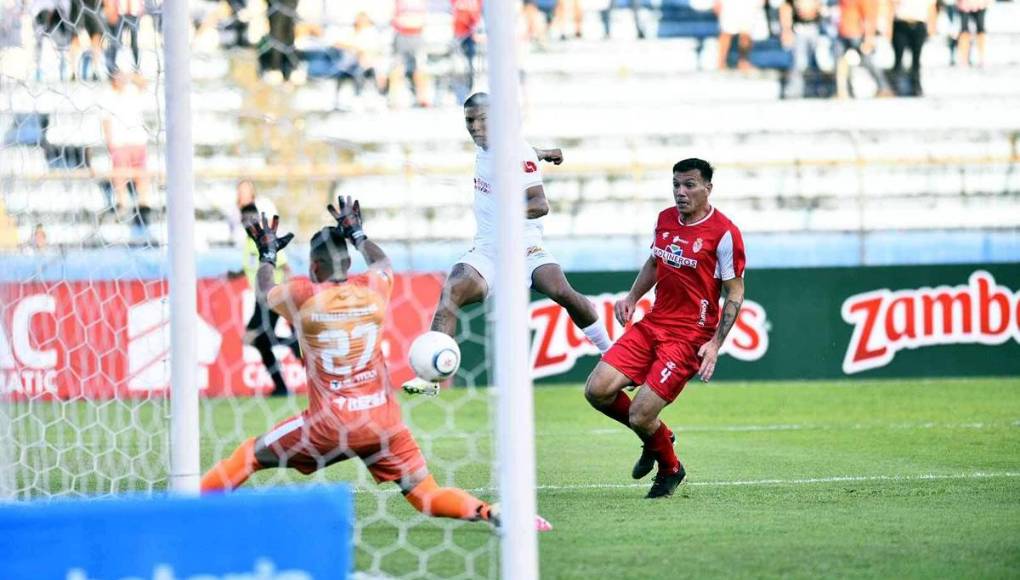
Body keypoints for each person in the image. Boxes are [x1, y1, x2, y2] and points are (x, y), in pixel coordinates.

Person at [201, 197, 552, 532]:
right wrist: (358, 234)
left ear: (314, 267)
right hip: (382, 423)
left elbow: (264, 291)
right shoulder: (373, 287)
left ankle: (184, 509)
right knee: (425, 494)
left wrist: (267, 254)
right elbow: (382, 263)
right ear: (347, 264)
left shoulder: (303, 296)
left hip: (329, 425)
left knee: (249, 455)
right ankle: (490, 511)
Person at [402, 92, 613, 395]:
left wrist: (508, 212)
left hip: (523, 245)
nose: (475, 127)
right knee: (452, 292)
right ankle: (430, 378)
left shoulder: (515, 151)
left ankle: (611, 353)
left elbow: (539, 204)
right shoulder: (490, 148)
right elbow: (524, 154)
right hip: (488, 250)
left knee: (561, 292)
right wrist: (545, 153)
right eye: (469, 121)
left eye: (482, 120)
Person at [583, 158, 746, 499]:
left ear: (708, 188)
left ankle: (670, 468)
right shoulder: (665, 219)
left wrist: (715, 344)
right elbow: (656, 261)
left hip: (689, 336)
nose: (680, 192)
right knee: (597, 390)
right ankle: (660, 437)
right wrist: (632, 296)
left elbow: (734, 292)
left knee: (641, 415)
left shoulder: (724, 233)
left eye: (689, 185)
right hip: (654, 323)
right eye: (676, 185)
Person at [236, 183, 301, 397]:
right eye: (244, 219)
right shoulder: (249, 242)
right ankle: (281, 386)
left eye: (251, 219)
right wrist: (235, 273)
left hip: (272, 296)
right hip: (261, 298)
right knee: (260, 340)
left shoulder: (264, 239)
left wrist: (287, 294)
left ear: (257, 218)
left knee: (252, 337)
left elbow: (285, 267)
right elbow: (253, 266)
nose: (247, 223)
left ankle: (292, 346)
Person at [835, 0, 895, 98]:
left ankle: (884, 88)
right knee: (841, 63)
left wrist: (869, 37)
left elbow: (868, 17)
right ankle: (843, 91)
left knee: (868, 61)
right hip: (842, 33)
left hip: (856, 33)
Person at [780, 0, 827, 99]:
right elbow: (786, 8)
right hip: (799, 29)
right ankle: (794, 91)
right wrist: (786, 30)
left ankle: (817, 90)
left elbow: (819, 7)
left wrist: (814, 10)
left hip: (815, 28)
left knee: (817, 61)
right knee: (799, 62)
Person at [890, 0, 937, 96]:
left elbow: (931, 7)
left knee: (916, 59)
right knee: (898, 59)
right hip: (901, 23)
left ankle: (916, 87)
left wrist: (932, 26)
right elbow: (891, 5)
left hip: (918, 24)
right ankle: (895, 87)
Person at [956, 0, 988, 67]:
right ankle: (964, 58)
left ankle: (982, 57)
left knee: (980, 31)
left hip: (980, 4)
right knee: (964, 31)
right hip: (964, 5)